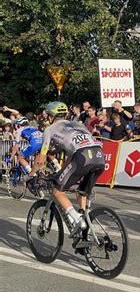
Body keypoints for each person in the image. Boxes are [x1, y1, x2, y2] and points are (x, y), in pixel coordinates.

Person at [27, 102, 105, 238]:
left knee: (57, 191)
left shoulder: (50, 129)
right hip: (99, 156)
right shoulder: (79, 125)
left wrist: (30, 175)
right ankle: (84, 227)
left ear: (51, 116)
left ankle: (78, 220)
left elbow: (41, 159)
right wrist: (61, 172)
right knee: (82, 192)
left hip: (82, 157)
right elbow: (72, 156)